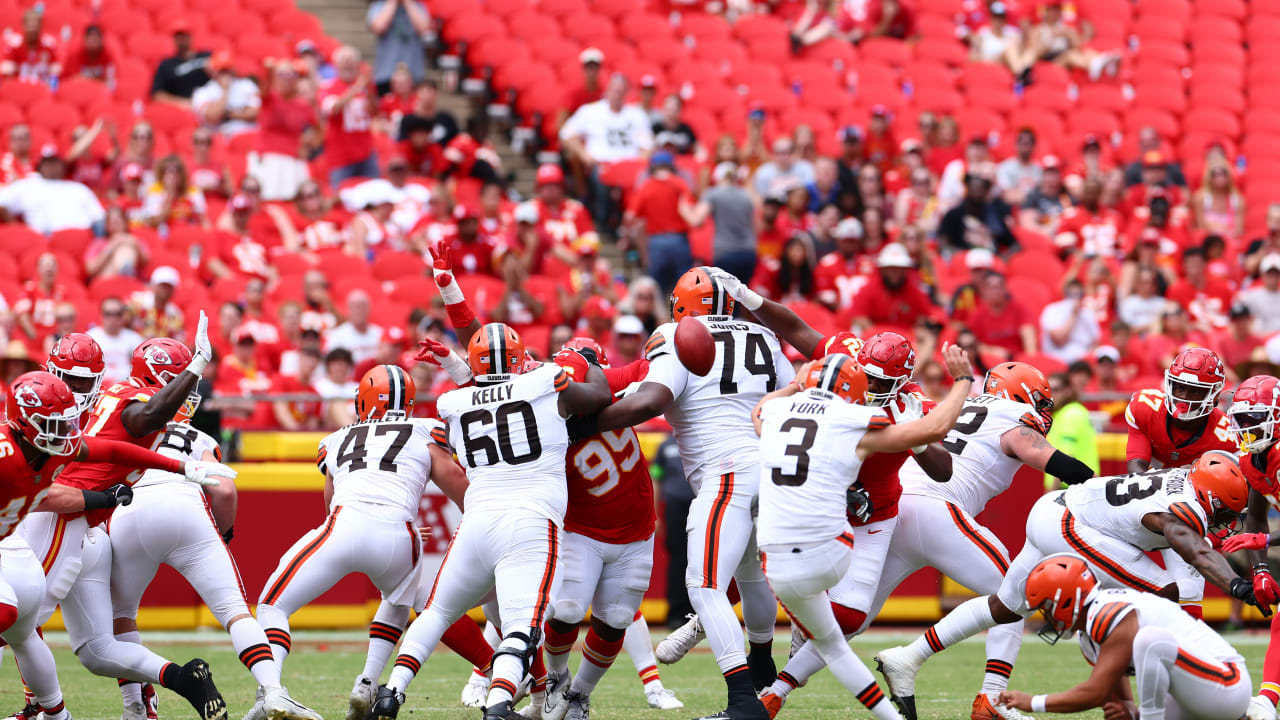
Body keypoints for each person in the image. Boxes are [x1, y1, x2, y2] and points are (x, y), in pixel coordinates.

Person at [878, 451, 1263, 718]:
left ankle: (908, 657)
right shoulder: (1185, 509)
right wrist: (1237, 586)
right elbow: (1195, 551)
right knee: (1157, 600)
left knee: (1005, 605)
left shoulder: (1184, 480)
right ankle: (1125, 685)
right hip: (1072, 524)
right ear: (1211, 497)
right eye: (1227, 512)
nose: (1227, 521)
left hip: (1054, 508)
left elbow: (1193, 553)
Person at [579, 268, 795, 719]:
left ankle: (741, 702)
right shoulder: (764, 338)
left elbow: (650, 401)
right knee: (753, 574)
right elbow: (788, 401)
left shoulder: (675, 334)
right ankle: (760, 666)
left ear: (680, 306)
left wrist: (584, 424)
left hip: (726, 473)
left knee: (704, 586)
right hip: (770, 468)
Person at [366, 325, 612, 720]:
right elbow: (598, 396)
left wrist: (452, 362)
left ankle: (392, 691)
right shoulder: (546, 379)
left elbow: (484, 390)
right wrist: (592, 363)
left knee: (436, 612)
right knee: (522, 625)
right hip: (531, 520)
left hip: (477, 523)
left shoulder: (452, 402)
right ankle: (498, 705)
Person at [0, 368, 235, 720]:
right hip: (87, 534)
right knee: (96, 649)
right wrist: (109, 495)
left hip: (60, 531)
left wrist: (177, 468)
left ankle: (45, 711)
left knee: (18, 629)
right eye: (52, 421)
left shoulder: (59, 433)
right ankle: (180, 679)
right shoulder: (39, 440)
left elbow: (96, 457)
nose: (62, 428)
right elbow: (106, 453)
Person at [756, 348, 974, 720]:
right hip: (829, 530)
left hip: (821, 533)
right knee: (826, 621)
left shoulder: (777, 412)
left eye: (881, 381)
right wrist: (964, 381)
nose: (871, 387)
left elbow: (943, 467)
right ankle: (711, 621)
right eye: (866, 378)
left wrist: (794, 385)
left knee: (848, 620)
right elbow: (933, 428)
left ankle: (778, 679)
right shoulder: (852, 416)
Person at [254, 363, 468, 699]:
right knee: (399, 598)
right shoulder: (426, 430)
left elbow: (328, 504)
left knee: (271, 606)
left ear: (364, 400)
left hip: (345, 524)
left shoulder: (336, 439)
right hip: (401, 534)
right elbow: (457, 484)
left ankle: (271, 689)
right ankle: (367, 682)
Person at [109, 391, 322, 720]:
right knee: (236, 612)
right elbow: (224, 489)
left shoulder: (125, 427)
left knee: (120, 617)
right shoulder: (199, 437)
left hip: (131, 511)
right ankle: (272, 691)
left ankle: (135, 706)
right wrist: (223, 532)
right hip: (187, 506)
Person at [997, 555, 1251, 719]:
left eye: (1047, 607)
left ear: (1066, 600)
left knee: (1149, 641)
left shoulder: (1107, 612)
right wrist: (1129, 712)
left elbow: (1095, 692)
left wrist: (1033, 702)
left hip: (1228, 683)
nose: (1047, 617)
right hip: (1192, 699)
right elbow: (1121, 701)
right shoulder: (1089, 638)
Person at [1223, 375, 1280, 720]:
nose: (1247, 427)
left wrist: (1266, 541)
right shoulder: (1253, 460)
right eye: (1242, 419)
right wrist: (1260, 570)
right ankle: (1267, 702)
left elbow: (1261, 532)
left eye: (1255, 418)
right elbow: (1257, 518)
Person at [560, 74, 654, 227]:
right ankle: (602, 220)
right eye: (614, 90)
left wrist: (639, 165)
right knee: (601, 178)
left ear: (626, 92)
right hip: (600, 164)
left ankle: (627, 226)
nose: (617, 94)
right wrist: (585, 155)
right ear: (607, 90)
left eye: (621, 91)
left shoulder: (636, 115)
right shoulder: (590, 111)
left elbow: (646, 146)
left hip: (628, 166)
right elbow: (567, 134)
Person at [624, 152, 695, 295]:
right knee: (685, 288)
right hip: (679, 240)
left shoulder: (646, 186)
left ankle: (659, 317)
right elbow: (690, 210)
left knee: (656, 291)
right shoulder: (680, 183)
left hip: (656, 242)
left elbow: (629, 216)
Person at [0, 144, 106, 234]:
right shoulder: (28, 185)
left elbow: (99, 218)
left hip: (83, 238)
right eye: (48, 163)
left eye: (55, 162)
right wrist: (14, 225)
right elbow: (2, 201)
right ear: (40, 166)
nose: (52, 167)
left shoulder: (78, 188)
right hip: (45, 238)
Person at [251, 58, 316, 201]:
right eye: (281, 75)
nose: (286, 80)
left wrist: (308, 145)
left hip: (293, 159)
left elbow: (320, 129)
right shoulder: (270, 98)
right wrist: (268, 71)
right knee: (267, 198)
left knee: (297, 200)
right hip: (267, 156)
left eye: (290, 75)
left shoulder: (303, 105)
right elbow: (264, 88)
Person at [845, 244, 942, 334]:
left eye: (899, 268)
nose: (895, 273)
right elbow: (857, 317)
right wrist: (877, 334)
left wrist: (920, 327)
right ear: (883, 269)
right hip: (875, 341)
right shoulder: (869, 289)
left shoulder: (915, 292)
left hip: (908, 342)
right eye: (891, 268)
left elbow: (928, 314)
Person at [320, 46, 379, 187]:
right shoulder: (328, 86)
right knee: (342, 196)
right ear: (336, 65)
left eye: (351, 61)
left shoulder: (366, 87)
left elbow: (375, 112)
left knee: (374, 194)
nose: (347, 64)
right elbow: (333, 109)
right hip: (341, 156)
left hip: (366, 152)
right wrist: (356, 88)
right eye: (344, 61)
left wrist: (369, 91)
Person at [687, 162, 755, 283]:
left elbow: (696, 220)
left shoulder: (713, 193)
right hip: (748, 251)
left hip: (725, 252)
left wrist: (683, 208)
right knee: (743, 296)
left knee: (725, 298)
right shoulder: (746, 194)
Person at [936, 164, 1016, 252]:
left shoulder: (995, 214)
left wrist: (1002, 260)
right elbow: (943, 243)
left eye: (981, 187)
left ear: (987, 191)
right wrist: (960, 256)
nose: (977, 190)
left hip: (989, 260)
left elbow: (1015, 245)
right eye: (973, 185)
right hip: (963, 259)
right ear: (967, 188)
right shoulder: (954, 214)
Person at [366, 0, 431, 95]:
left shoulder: (419, 6)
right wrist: (392, 3)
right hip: (386, 73)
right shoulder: (378, 6)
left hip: (413, 74)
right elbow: (379, 27)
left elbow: (424, 29)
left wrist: (408, 3)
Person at [192, 51, 261, 136]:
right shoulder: (203, 92)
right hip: (223, 139)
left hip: (250, 134)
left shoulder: (247, 85)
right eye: (221, 70)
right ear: (213, 71)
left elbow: (256, 113)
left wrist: (227, 114)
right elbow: (212, 116)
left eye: (227, 69)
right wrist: (226, 91)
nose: (225, 74)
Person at [1039, 279, 1100, 365]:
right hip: (1058, 360)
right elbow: (1059, 339)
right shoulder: (1052, 310)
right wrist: (1073, 314)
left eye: (1079, 295)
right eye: (1072, 295)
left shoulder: (1088, 313)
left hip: (1082, 363)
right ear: (1065, 294)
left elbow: (1095, 343)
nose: (1075, 299)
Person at [150, 20, 211, 106]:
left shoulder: (207, 56)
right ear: (174, 39)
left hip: (212, 102)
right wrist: (185, 103)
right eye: (178, 36)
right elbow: (158, 95)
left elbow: (227, 76)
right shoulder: (167, 64)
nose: (182, 39)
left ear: (191, 36)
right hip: (185, 107)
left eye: (184, 35)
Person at [141, 155, 208, 229]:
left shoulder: (193, 191)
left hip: (189, 232)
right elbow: (154, 222)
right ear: (162, 174)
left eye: (177, 170)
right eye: (169, 170)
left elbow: (203, 220)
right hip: (167, 234)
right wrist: (170, 194)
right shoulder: (154, 191)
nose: (173, 175)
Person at [87, 298, 144, 385]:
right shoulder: (90, 338)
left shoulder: (135, 339)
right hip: (97, 386)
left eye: (117, 314)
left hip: (127, 387)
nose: (113, 318)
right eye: (108, 314)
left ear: (123, 316)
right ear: (101, 315)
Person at [1, 9, 61, 84]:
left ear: (41, 26)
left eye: (35, 26)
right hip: (19, 88)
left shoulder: (49, 45)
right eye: (30, 26)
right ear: (23, 25)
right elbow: (5, 70)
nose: (32, 30)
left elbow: (57, 70)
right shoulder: (13, 46)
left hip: (42, 89)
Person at [325, 290, 383, 364]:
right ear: (348, 310)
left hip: (376, 374)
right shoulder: (337, 336)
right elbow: (330, 363)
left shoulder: (379, 334)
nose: (358, 311)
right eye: (355, 307)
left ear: (369, 309)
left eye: (362, 306)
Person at [996, 129, 1040, 207]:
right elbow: (1007, 195)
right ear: (1016, 145)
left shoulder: (1038, 169)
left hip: (1033, 210)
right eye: (1021, 142)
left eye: (1027, 143)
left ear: (1033, 146)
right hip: (1011, 209)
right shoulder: (1006, 167)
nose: (1024, 146)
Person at [1240, 254, 1280, 335]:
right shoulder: (1252, 296)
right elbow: (1244, 322)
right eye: (1269, 273)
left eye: (1275, 273)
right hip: (1261, 340)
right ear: (1263, 274)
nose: (1273, 277)